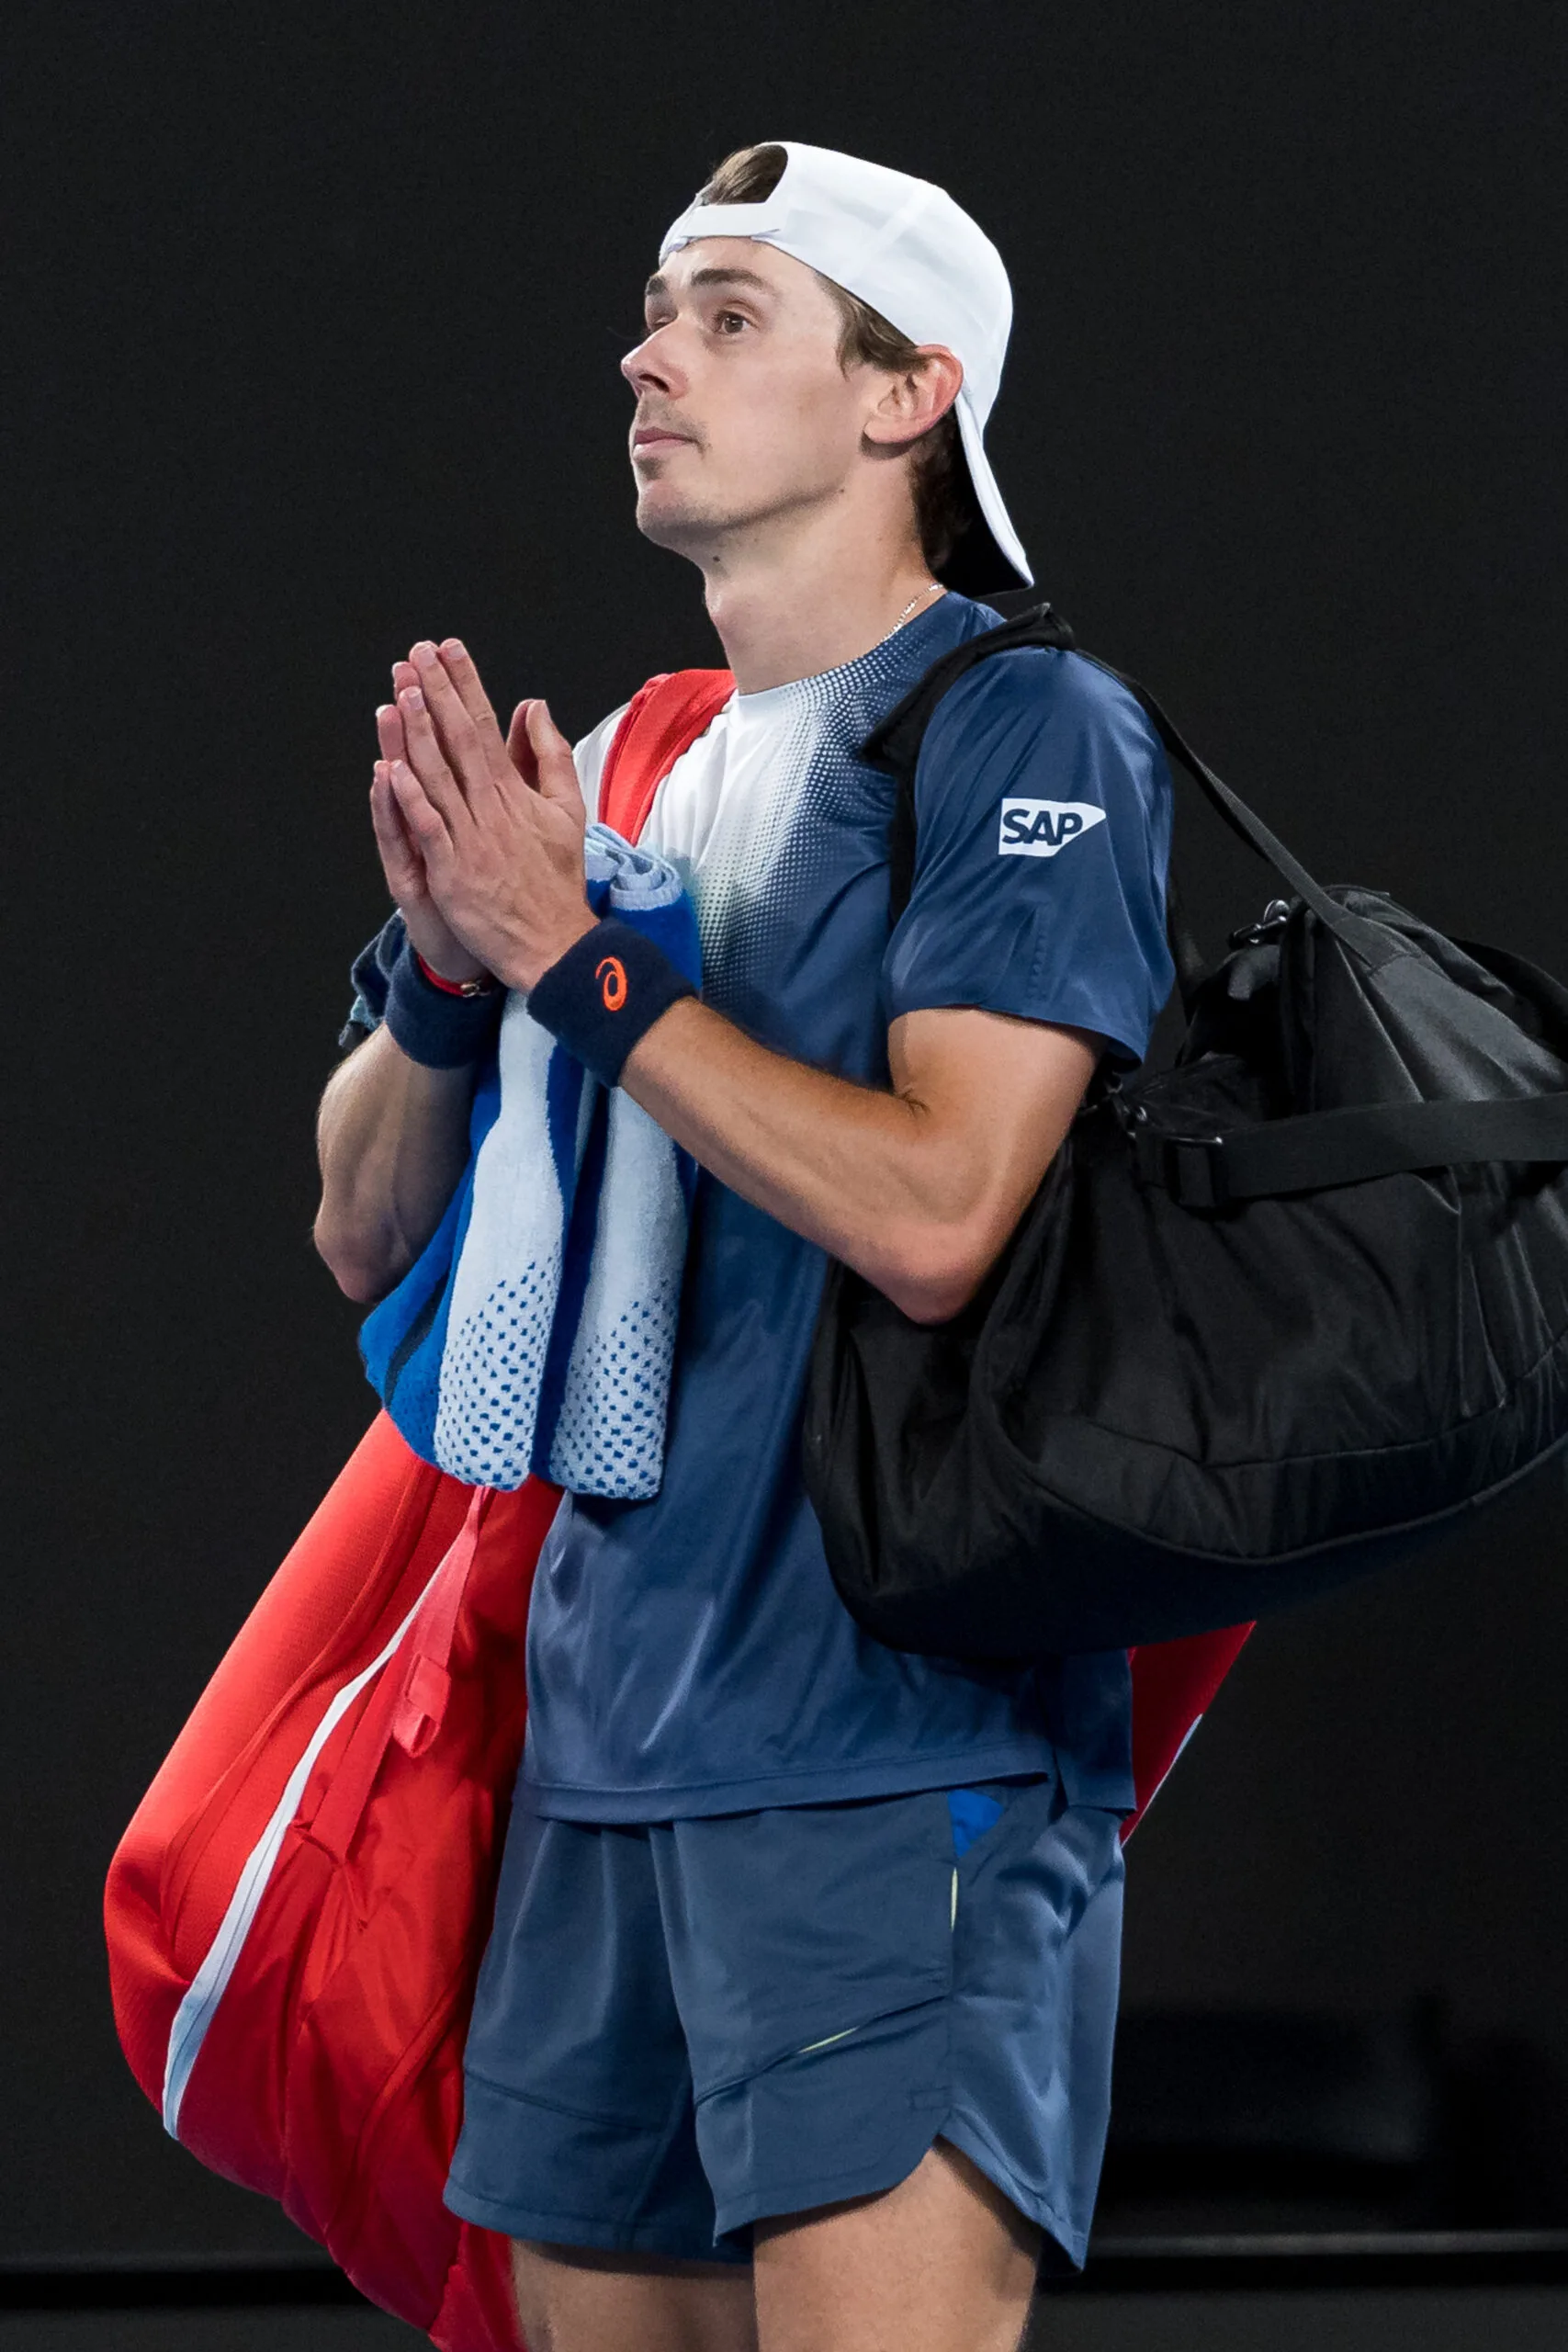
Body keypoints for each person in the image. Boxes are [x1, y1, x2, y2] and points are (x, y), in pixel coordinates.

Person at [314, 140, 1175, 2352]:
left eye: (726, 315)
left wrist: (574, 965)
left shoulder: (1022, 726)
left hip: (902, 1759)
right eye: (652, 309)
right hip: (609, 1760)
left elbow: (939, 1207)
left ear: (907, 399)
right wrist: (445, 971)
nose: (645, 352)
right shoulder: (609, 765)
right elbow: (357, 1221)